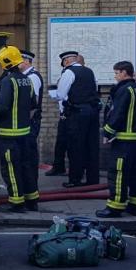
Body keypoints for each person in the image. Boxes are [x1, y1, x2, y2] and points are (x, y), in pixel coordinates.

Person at [97, 60, 136, 218]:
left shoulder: (125, 90)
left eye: (117, 73)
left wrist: (107, 132)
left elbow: (117, 113)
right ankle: (135, 205)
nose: (115, 76)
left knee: (118, 172)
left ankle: (115, 206)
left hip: (124, 140)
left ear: (124, 72)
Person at [0, 46, 38, 213]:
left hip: (9, 135)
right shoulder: (27, 80)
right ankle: (32, 200)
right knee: (26, 167)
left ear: (6, 63)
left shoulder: (8, 81)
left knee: (11, 168)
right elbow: (34, 104)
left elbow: (2, 106)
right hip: (25, 134)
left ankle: (16, 203)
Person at [54, 50, 100, 188]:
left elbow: (61, 94)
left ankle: (75, 179)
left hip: (77, 113)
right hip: (92, 112)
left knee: (76, 147)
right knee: (91, 146)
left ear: (66, 61)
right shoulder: (89, 71)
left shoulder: (68, 72)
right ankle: (93, 178)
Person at [19, 49, 44, 205]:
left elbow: (32, 104)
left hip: (30, 123)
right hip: (28, 123)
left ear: (27, 61)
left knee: (28, 158)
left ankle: (31, 192)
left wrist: (24, 121)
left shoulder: (32, 77)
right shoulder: (25, 77)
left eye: (19, 60)